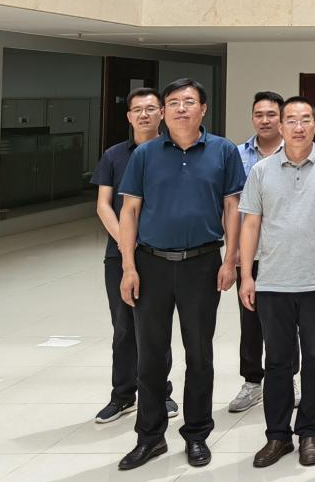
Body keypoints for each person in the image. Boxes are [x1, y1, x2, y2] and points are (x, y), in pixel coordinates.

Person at [115, 78, 246, 471]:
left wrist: (230, 260)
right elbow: (129, 211)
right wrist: (128, 266)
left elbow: (232, 208)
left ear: (203, 109)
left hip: (202, 264)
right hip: (151, 264)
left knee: (199, 354)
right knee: (151, 356)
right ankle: (150, 437)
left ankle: (197, 434)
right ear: (164, 111)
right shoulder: (145, 153)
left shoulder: (223, 150)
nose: (181, 108)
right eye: (173, 102)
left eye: (189, 102)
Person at [238, 96, 315, 468]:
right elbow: (250, 224)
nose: (299, 126)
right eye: (291, 120)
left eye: (306, 119)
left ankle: (309, 433)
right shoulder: (262, 170)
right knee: (277, 361)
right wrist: (246, 274)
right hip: (273, 281)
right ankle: (277, 436)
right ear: (281, 126)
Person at [92, 87, 176, 424]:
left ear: (161, 114)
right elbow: (103, 205)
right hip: (119, 255)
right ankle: (123, 395)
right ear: (128, 116)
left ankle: (160, 393)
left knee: (156, 328)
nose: (144, 114)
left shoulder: (173, 151)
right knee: (124, 327)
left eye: (151, 108)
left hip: (160, 253)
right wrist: (127, 243)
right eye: (137, 109)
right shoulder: (114, 155)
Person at [230, 90, 285, 414]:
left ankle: (287, 377)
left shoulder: (294, 152)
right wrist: (234, 248)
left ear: (281, 118)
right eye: (259, 115)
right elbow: (230, 205)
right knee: (249, 319)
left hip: (286, 253)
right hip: (248, 253)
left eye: (271, 114)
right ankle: (252, 381)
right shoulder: (237, 155)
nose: (265, 120)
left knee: (286, 321)